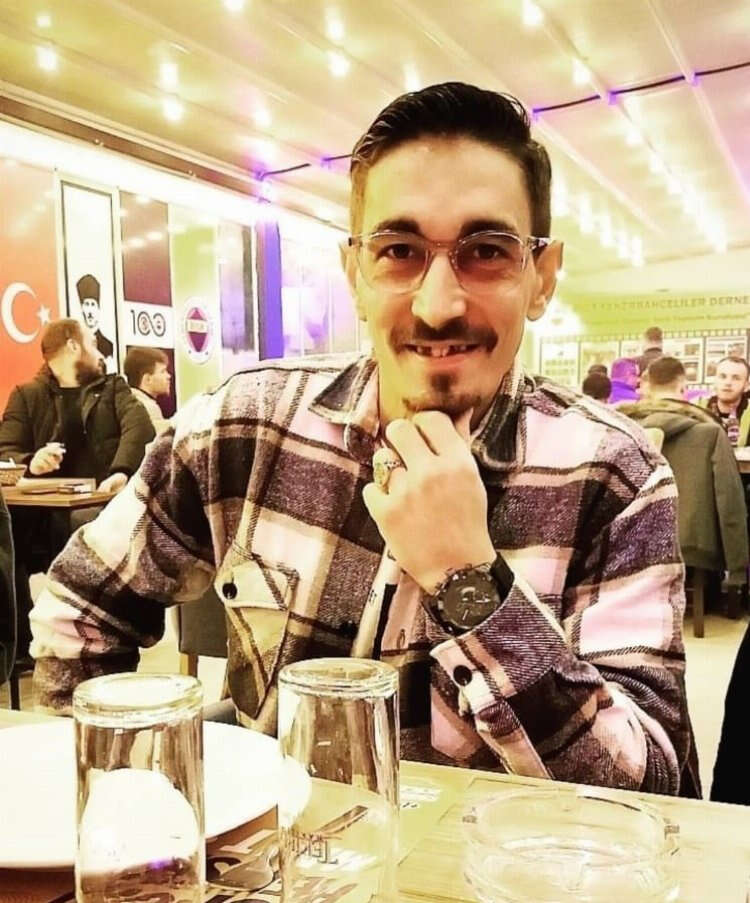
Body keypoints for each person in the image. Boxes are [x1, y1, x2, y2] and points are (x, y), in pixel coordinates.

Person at [31, 83, 696, 796]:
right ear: (355, 274)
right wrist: (147, 806)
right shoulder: (245, 425)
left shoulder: (615, 475)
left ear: (542, 278)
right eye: (399, 250)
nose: (438, 305)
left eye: (487, 251)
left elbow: (653, 788)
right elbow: (79, 612)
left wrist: (470, 583)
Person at [0, 318, 154, 657]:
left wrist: (120, 471)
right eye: (92, 344)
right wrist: (32, 461)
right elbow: (6, 451)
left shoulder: (112, 388)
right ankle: (18, 646)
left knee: (82, 524)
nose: (99, 354)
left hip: (96, 507)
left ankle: (92, 642)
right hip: (40, 514)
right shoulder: (26, 396)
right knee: (6, 534)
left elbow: (139, 427)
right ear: (73, 345)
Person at [619, 357, 748, 586]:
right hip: (693, 546)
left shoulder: (621, 427)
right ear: (683, 388)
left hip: (626, 542)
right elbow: (729, 501)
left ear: (647, 386)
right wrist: (737, 570)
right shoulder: (710, 432)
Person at [699, 356, 750, 447]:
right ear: (714, 381)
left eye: (736, 378)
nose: (728, 383)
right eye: (722, 377)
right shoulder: (696, 409)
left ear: (746, 386)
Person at [123, 347, 172, 435]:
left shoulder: (127, 403)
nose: (168, 376)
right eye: (163, 371)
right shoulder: (148, 408)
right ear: (147, 379)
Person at [76, 274, 114, 365]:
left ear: (98, 308)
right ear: (82, 308)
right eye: (86, 304)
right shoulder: (77, 346)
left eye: (93, 304)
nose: (90, 311)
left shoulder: (107, 345)